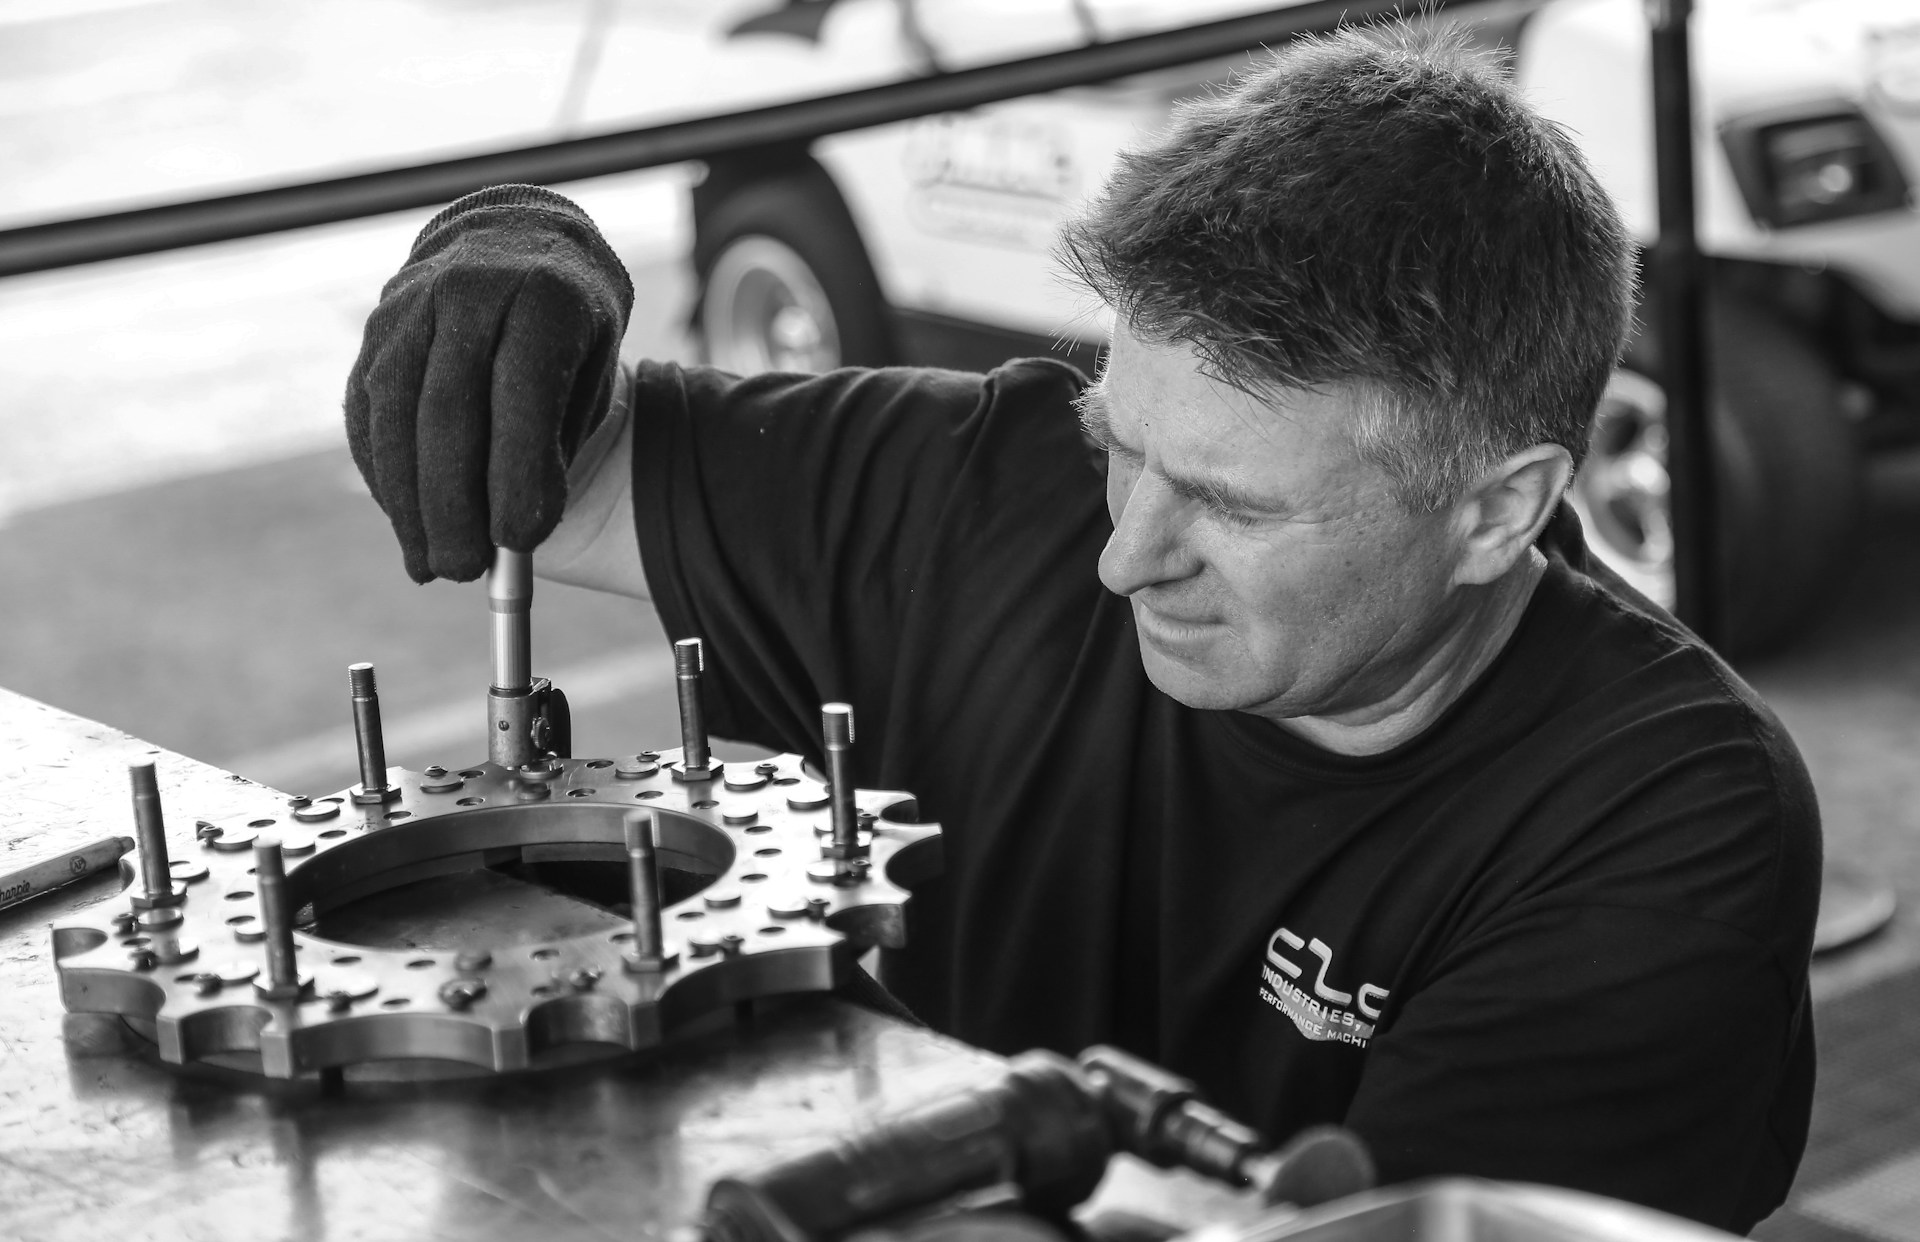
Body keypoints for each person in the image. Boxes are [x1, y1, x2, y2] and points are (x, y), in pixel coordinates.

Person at [344, 25, 1819, 1234]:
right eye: (1123, 443)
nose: (1123, 556)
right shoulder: (989, 485)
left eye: (1232, 505)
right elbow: (544, 464)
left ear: (1501, 510)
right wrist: (510, 261)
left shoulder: (1666, 819)